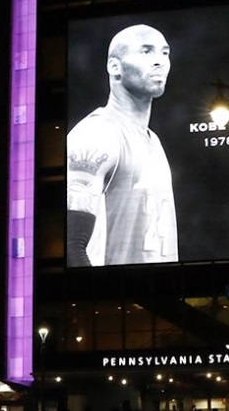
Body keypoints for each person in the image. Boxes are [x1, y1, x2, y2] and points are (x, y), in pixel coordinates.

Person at [66, 24, 178, 267]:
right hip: (118, 301)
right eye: (146, 52)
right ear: (114, 67)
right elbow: (71, 245)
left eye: (164, 53)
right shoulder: (96, 133)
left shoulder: (154, 140)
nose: (159, 61)